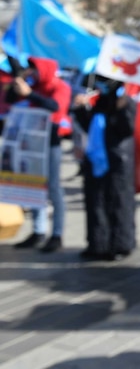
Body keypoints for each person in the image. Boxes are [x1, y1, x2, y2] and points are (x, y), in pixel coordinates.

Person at [10, 57, 72, 253]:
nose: (33, 73)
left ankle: (57, 234)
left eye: (35, 69)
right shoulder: (33, 86)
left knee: (53, 187)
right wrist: (18, 83)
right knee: (33, 185)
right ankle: (38, 231)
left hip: (51, 142)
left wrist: (30, 94)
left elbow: (54, 106)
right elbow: (10, 100)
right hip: (32, 142)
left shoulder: (60, 86)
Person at [72, 76, 137, 261]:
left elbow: (126, 129)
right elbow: (91, 127)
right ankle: (97, 243)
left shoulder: (126, 101)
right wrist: (80, 110)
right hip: (96, 159)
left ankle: (119, 245)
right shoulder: (100, 101)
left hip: (117, 161)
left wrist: (121, 109)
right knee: (96, 202)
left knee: (117, 202)